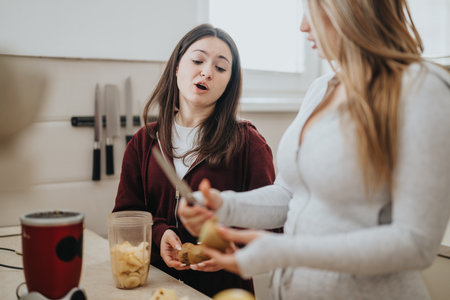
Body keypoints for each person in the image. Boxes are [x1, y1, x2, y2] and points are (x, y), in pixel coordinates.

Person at [178, 1, 450, 299]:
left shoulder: (423, 89)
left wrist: (285, 251)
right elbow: (291, 194)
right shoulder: (321, 89)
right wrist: (223, 206)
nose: (303, 25)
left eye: (313, 9)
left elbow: (416, 244)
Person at [112, 24, 276, 297]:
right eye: (198, 60)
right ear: (177, 67)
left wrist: (230, 250)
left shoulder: (249, 144)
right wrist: (159, 234)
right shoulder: (143, 141)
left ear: (228, 84)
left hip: (223, 290)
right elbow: (125, 219)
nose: (207, 72)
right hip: (156, 288)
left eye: (221, 68)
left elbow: (272, 227)